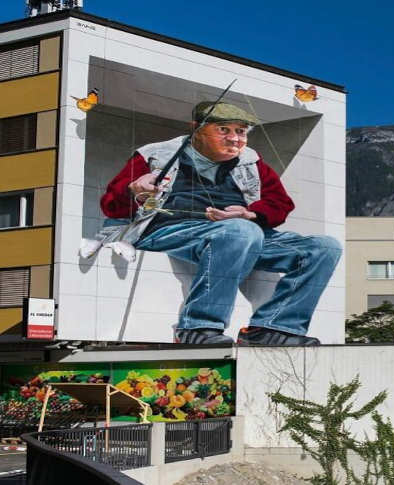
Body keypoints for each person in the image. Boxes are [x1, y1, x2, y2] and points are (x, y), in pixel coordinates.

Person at [97, 101, 342, 345]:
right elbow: (111, 206)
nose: (235, 139)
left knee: (324, 248)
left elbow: (280, 203)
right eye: (223, 129)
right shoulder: (155, 155)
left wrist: (251, 214)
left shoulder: (251, 161)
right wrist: (133, 191)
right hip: (166, 230)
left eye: (241, 131)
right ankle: (197, 328)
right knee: (240, 232)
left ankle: (272, 329)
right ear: (197, 129)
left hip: (242, 234)